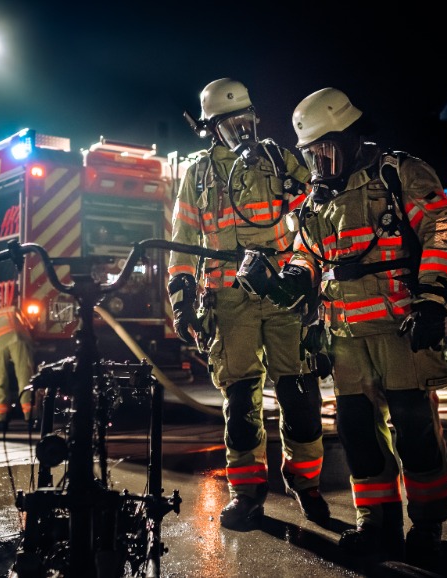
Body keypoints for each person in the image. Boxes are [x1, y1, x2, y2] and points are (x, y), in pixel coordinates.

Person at [262, 87, 447, 562]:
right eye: (312, 155)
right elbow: (307, 255)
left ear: (352, 137)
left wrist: (432, 300)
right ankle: (376, 523)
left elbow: (442, 231)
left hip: (401, 330)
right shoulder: (315, 202)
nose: (320, 164)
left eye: (326, 151)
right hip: (345, 338)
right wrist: (289, 277)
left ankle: (427, 526)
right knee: (357, 434)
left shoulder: (399, 173)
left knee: (415, 432)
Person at [167, 78, 329, 531]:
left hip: (281, 295)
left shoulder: (277, 159)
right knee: (240, 402)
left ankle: (307, 484)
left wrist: (308, 275)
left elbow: (316, 212)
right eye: (231, 123)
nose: (242, 130)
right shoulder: (198, 174)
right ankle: (247, 493)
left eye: (247, 120)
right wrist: (181, 301)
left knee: (299, 394)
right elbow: (182, 240)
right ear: (210, 128)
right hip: (228, 301)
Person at [0, 300, 36, 432]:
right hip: (19, 340)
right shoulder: (12, 309)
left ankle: (1, 421)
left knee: (0, 382)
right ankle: (31, 417)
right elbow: (28, 326)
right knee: (25, 378)